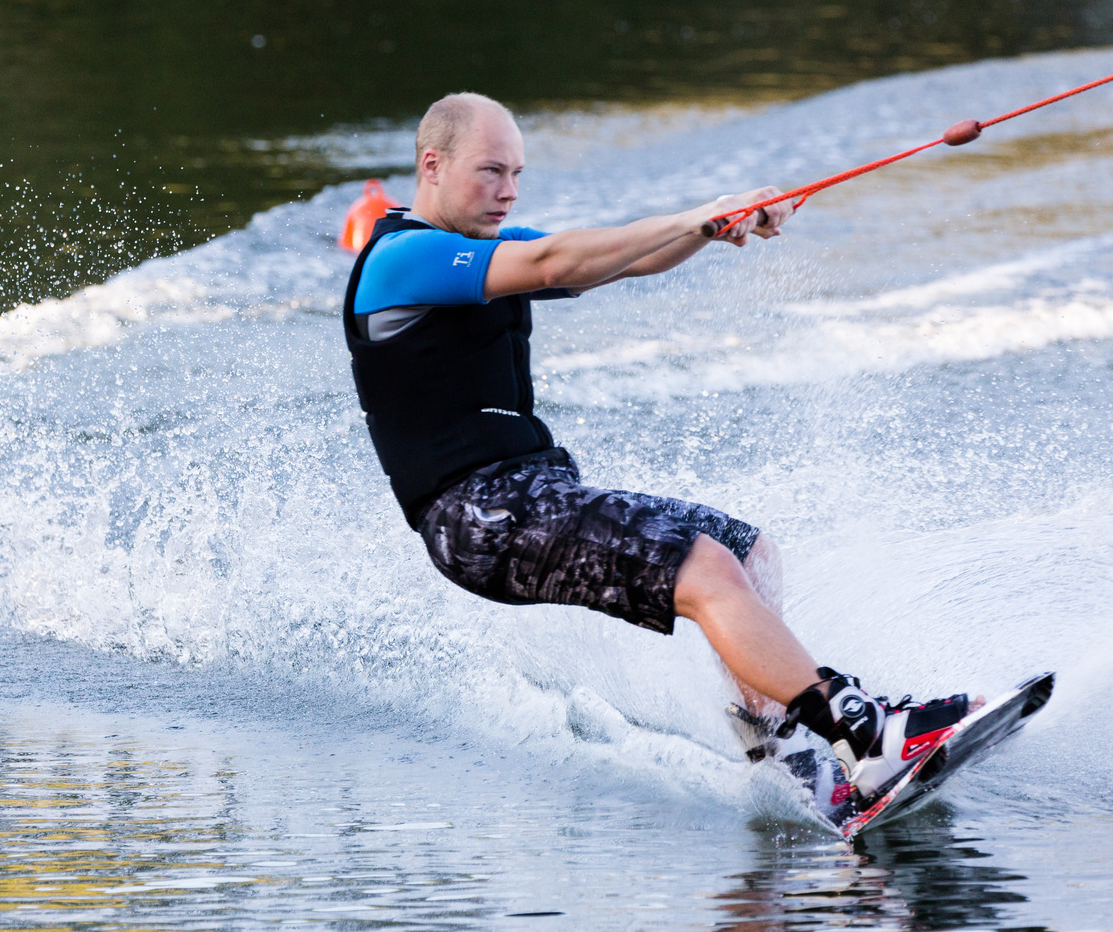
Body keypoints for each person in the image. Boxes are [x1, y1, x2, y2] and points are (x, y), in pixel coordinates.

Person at [342, 92, 979, 815]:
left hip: (526, 494)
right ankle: (862, 734)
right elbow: (553, 260)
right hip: (478, 516)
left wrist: (716, 223)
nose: (510, 189)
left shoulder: (479, 250)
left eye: (518, 172)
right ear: (434, 165)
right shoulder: (401, 259)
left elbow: (618, 261)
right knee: (705, 568)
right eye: (492, 171)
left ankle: (786, 761)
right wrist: (695, 217)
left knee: (748, 554)